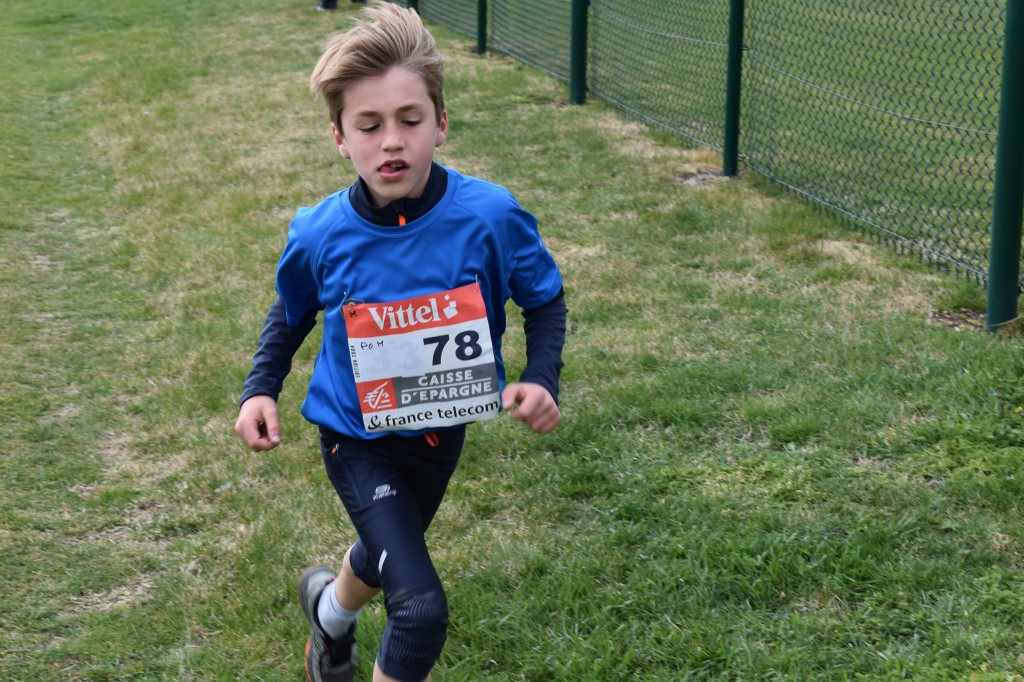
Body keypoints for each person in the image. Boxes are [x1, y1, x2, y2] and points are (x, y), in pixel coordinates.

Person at [233, 4, 567, 681]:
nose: (392, 142)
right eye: (370, 126)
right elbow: (291, 311)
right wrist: (260, 388)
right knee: (418, 609)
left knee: (387, 549)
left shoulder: (490, 216)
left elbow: (543, 299)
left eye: (410, 121)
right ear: (339, 137)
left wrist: (542, 376)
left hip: (440, 432)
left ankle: (329, 619)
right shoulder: (321, 232)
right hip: (354, 438)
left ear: (440, 123)